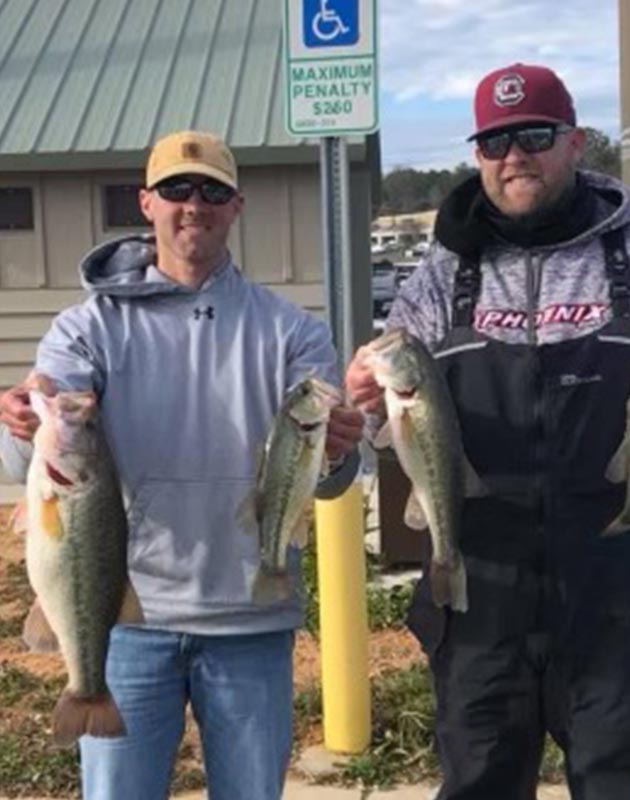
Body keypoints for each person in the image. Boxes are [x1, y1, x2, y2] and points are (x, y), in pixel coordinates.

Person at [346, 64, 630, 800]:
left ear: (574, 142)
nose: (514, 156)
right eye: (494, 142)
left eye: (533, 135)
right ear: (477, 156)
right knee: (479, 784)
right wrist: (364, 402)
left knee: (618, 787)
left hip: (621, 593)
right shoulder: (443, 276)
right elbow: (386, 420)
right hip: (482, 599)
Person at [0, 130, 363, 800]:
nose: (193, 204)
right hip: (127, 619)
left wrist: (340, 449)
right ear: (146, 202)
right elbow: (42, 440)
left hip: (250, 621)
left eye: (212, 191)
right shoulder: (89, 327)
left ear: (236, 206)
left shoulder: (292, 331)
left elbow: (330, 475)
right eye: (176, 188)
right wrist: (24, 420)